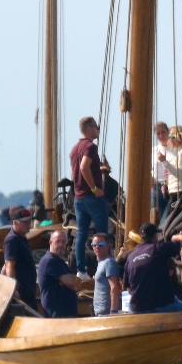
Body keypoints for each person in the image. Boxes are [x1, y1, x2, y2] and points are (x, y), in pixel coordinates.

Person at [123, 223, 182, 313]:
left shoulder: (130, 257)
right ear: (155, 236)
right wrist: (174, 238)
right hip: (162, 305)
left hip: (137, 309)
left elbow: (129, 290)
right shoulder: (159, 248)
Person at [71, 116, 109, 280]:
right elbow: (84, 167)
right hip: (92, 197)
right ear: (88, 128)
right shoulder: (90, 147)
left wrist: (99, 171)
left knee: (82, 234)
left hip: (78, 198)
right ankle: (104, 268)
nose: (98, 130)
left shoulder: (75, 148)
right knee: (102, 234)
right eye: (96, 127)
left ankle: (81, 271)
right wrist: (95, 188)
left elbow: (80, 170)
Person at [2, 206, 39, 310]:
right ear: (15, 223)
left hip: (29, 290)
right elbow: (9, 266)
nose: (28, 224)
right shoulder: (12, 240)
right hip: (22, 293)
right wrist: (12, 289)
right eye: (24, 222)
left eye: (29, 221)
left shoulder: (22, 237)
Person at [37, 230, 80, 318]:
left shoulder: (60, 262)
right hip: (57, 314)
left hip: (66, 313)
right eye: (58, 242)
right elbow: (72, 282)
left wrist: (70, 281)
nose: (61, 245)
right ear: (50, 242)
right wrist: (71, 281)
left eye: (63, 242)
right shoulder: (49, 261)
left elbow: (76, 284)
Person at [160, 125, 182, 214]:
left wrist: (165, 162)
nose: (170, 139)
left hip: (180, 193)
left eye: (173, 136)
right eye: (169, 137)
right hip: (177, 192)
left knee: (170, 223)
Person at [90, 233, 123, 315]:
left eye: (101, 244)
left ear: (108, 246)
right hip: (100, 311)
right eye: (94, 245)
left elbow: (114, 286)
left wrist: (113, 310)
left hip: (106, 312)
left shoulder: (109, 263)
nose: (97, 247)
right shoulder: (101, 263)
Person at [152, 121, 171, 222]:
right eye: (158, 133)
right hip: (157, 187)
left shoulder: (175, 149)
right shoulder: (154, 150)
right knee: (156, 217)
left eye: (163, 132)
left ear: (168, 132)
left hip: (172, 187)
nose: (161, 135)